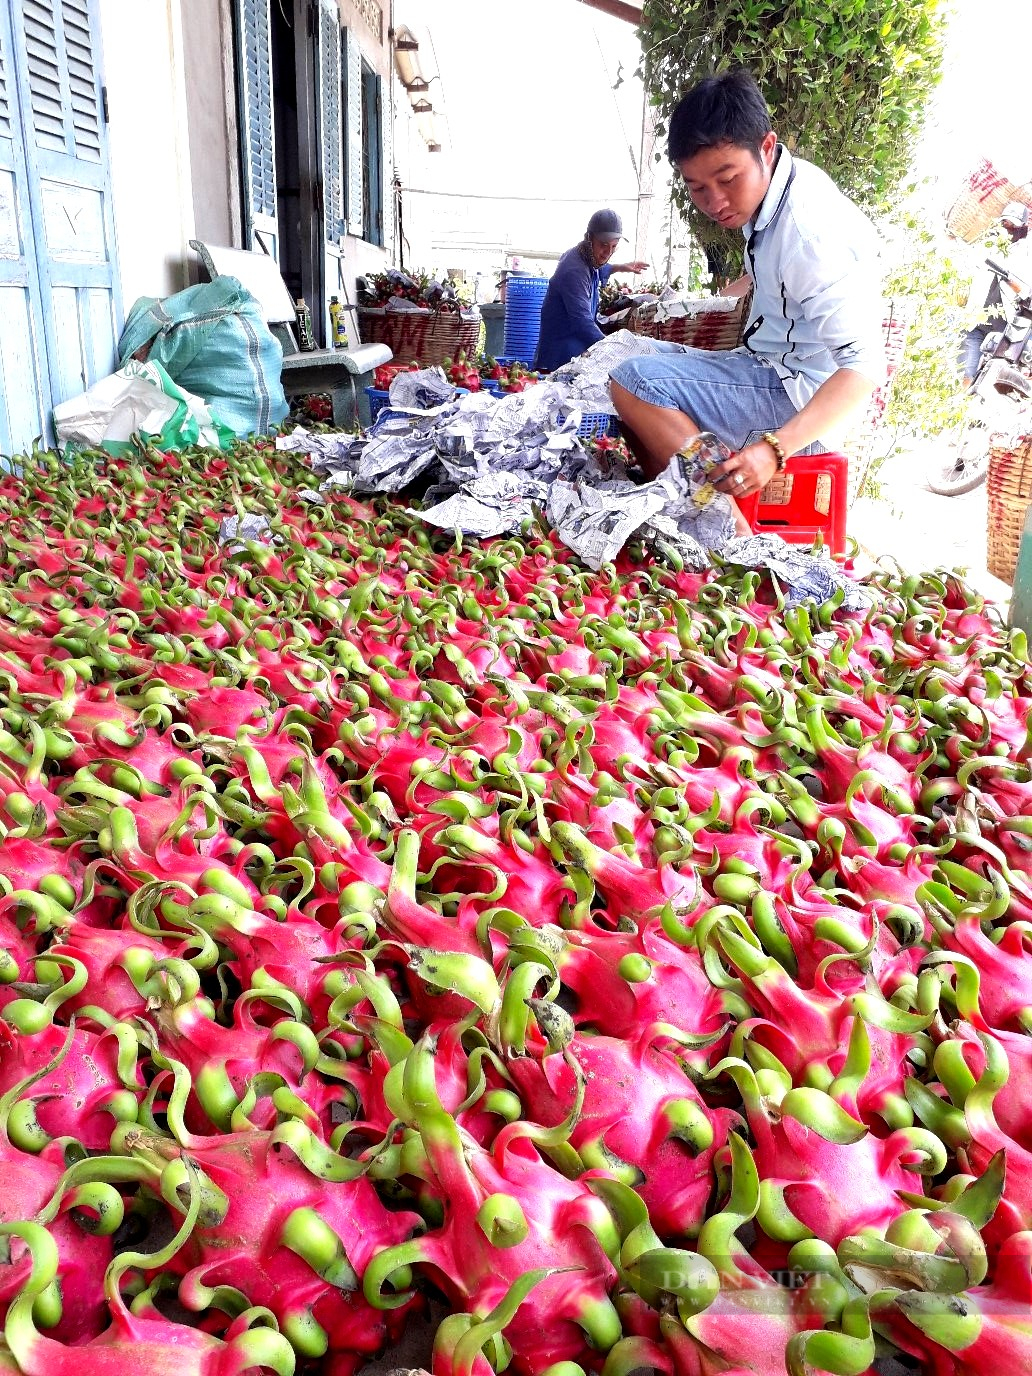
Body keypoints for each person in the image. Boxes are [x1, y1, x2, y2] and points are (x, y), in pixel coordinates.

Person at [609, 69, 886, 514]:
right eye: (698, 188)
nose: (715, 200)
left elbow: (865, 368)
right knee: (623, 358)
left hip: (802, 406)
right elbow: (777, 279)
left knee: (635, 381)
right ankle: (676, 502)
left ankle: (725, 533)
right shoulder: (776, 190)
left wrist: (775, 449)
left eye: (727, 178)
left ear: (766, 147)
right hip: (768, 368)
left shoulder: (810, 233)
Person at [534, 210, 648, 372]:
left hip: (573, 352)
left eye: (613, 246)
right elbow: (582, 323)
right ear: (589, 239)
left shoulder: (585, 257)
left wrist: (620, 267)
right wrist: (613, 348)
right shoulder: (574, 271)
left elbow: (599, 268)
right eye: (603, 245)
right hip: (559, 357)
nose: (608, 253)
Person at [959, 201, 1031, 386]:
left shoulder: (1026, 252)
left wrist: (1010, 279)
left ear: (1023, 227)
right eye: (1005, 223)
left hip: (1003, 327)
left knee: (992, 376)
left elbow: (1025, 291)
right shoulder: (988, 244)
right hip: (976, 321)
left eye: (1013, 225)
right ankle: (960, 408)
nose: (1009, 228)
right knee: (967, 371)